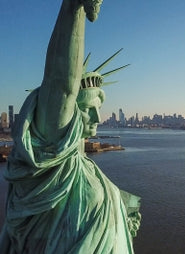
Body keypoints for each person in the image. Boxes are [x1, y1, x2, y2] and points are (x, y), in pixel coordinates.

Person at [0, 0, 140, 253]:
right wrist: (73, 9)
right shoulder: (54, 165)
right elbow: (62, 83)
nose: (98, 117)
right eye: (88, 109)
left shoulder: (86, 168)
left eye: (100, 107)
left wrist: (123, 220)